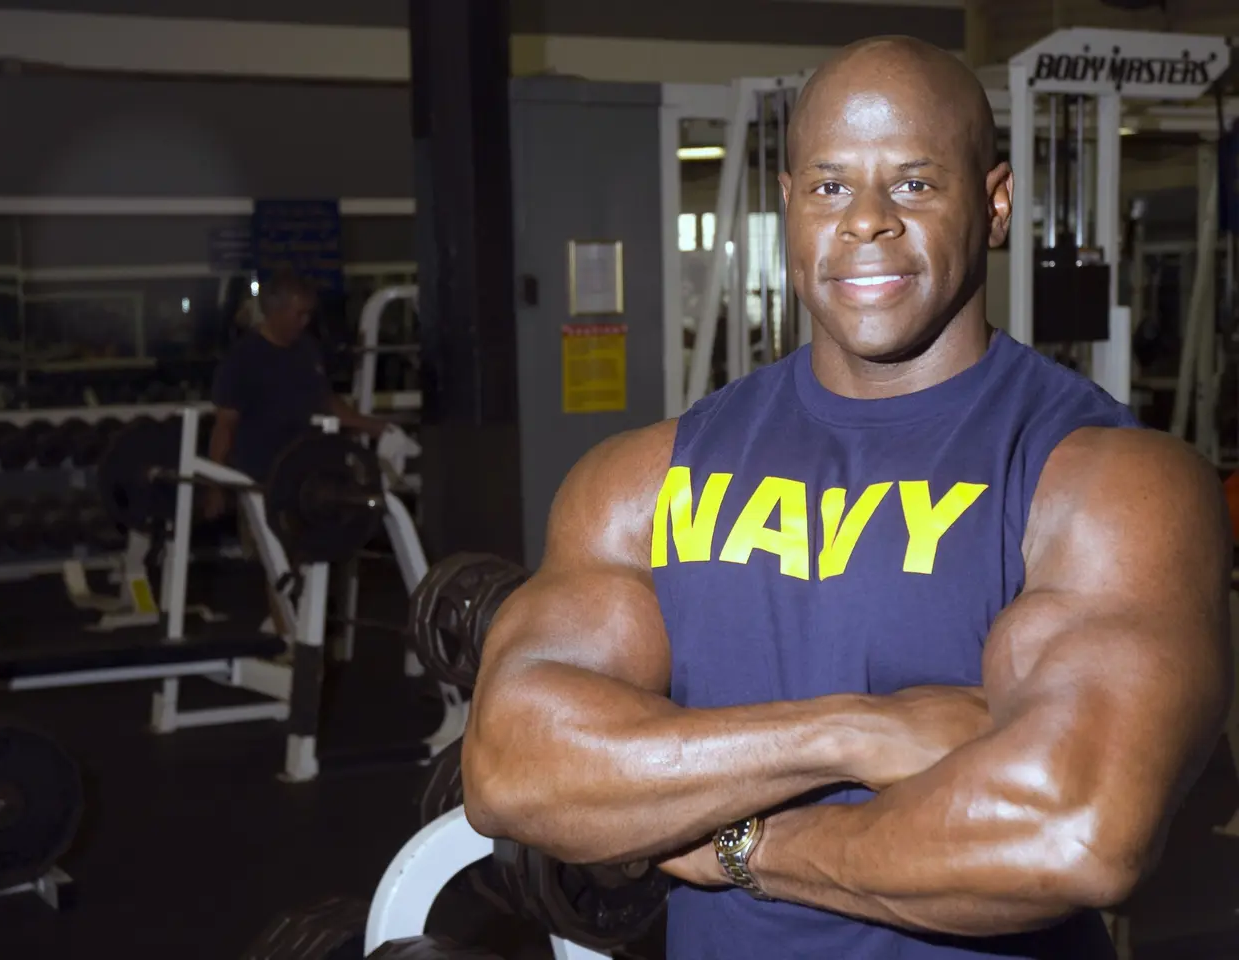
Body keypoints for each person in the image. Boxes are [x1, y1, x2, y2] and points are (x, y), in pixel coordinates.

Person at [462, 36, 1232, 960]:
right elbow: (510, 768)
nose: (867, 220)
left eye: (913, 183)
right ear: (789, 205)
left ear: (993, 206)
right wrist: (853, 732)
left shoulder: (1108, 482)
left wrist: (745, 850)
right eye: (829, 186)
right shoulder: (641, 480)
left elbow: (1071, 832)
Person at [206, 268, 400, 521]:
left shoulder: (307, 349)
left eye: (309, 313)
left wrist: (373, 426)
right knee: (265, 543)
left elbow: (325, 400)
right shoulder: (242, 360)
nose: (306, 321)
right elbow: (224, 427)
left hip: (306, 477)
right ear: (275, 312)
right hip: (259, 480)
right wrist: (215, 487)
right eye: (299, 314)